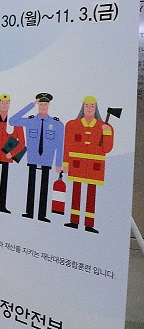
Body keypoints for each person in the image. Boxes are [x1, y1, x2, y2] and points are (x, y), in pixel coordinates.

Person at [8, 92, 63, 222]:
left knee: (44, 187)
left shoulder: (57, 124)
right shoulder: (30, 120)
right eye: (40, 104)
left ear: (49, 105)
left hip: (47, 160)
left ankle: (41, 215)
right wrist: (31, 104)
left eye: (45, 104)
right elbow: (12, 121)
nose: (43, 107)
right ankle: (29, 212)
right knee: (31, 186)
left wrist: (58, 163)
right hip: (32, 158)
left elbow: (60, 145)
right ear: (38, 105)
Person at [62, 95, 113, 233]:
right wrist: (65, 163)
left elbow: (107, 149)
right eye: (87, 106)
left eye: (92, 106)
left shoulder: (105, 127)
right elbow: (67, 145)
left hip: (94, 165)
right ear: (82, 107)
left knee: (91, 193)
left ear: (96, 108)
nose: (89, 109)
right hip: (77, 163)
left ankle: (89, 224)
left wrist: (107, 133)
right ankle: (74, 220)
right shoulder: (72, 125)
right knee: (76, 192)